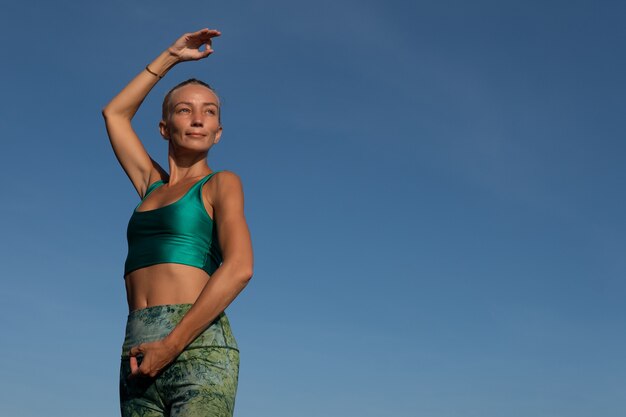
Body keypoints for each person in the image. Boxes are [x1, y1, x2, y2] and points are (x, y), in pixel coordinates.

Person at [102, 28, 254, 417]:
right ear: (164, 127)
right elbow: (115, 113)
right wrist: (171, 55)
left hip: (198, 347)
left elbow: (239, 268)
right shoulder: (150, 187)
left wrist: (171, 346)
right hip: (136, 348)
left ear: (218, 133)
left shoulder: (221, 184)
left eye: (210, 112)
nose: (199, 119)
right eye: (185, 109)